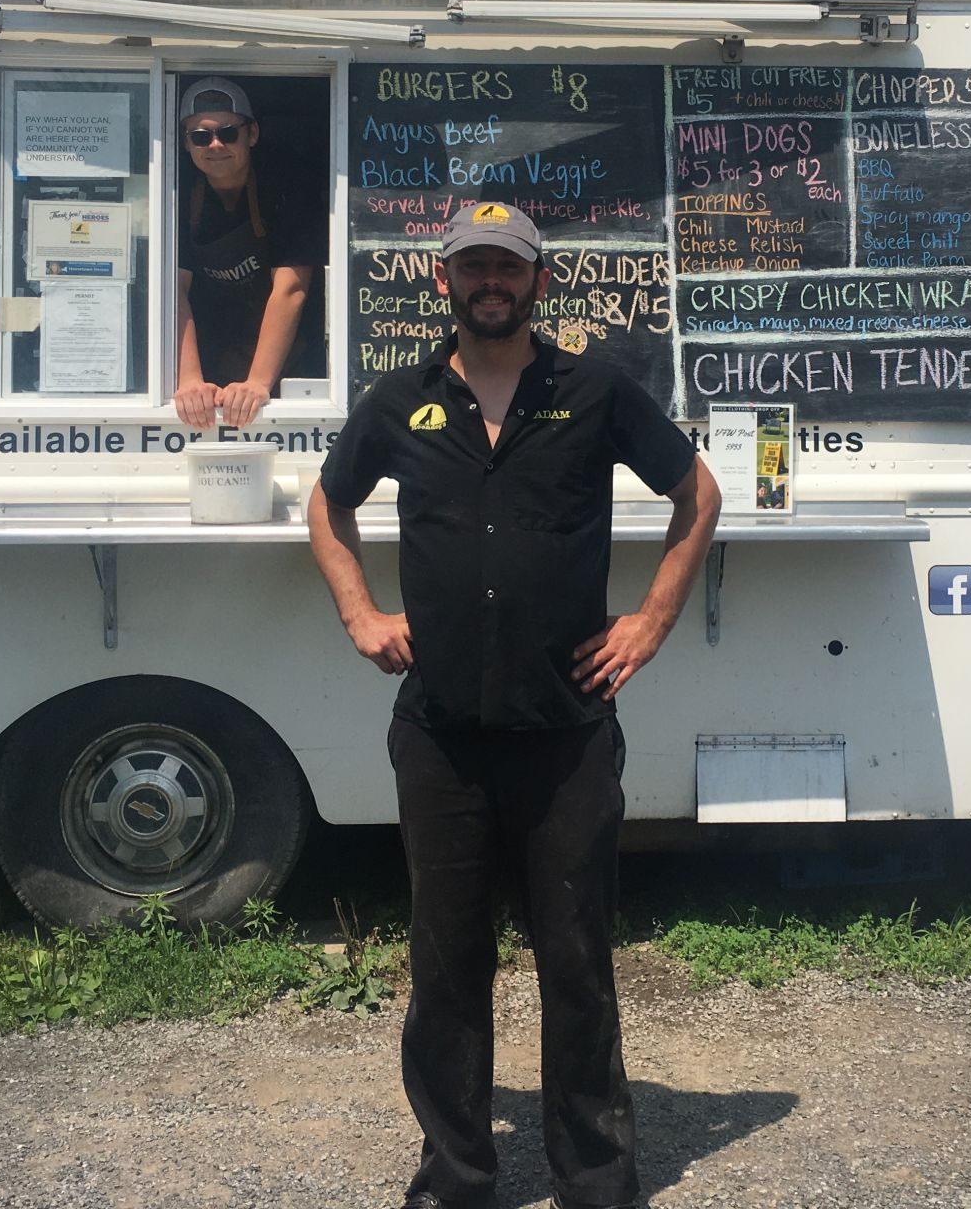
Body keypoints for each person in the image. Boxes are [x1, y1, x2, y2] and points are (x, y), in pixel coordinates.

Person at [307, 201, 721, 1209]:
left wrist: (650, 622)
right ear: (442, 281)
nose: (488, 282)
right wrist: (360, 612)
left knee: (575, 963)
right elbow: (326, 504)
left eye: (508, 267)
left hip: (565, 737)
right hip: (440, 736)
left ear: (540, 281)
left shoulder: (593, 391)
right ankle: (455, 1176)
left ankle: (593, 1179)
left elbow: (696, 493)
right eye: (471, 267)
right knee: (445, 971)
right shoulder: (400, 400)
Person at [174, 77, 319, 427]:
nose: (215, 145)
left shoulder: (289, 183)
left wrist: (256, 384)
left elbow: (291, 289)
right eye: (200, 136)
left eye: (228, 133)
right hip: (215, 348)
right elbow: (175, 289)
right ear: (186, 143)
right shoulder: (174, 190)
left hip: (291, 364)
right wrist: (190, 380)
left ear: (251, 134)